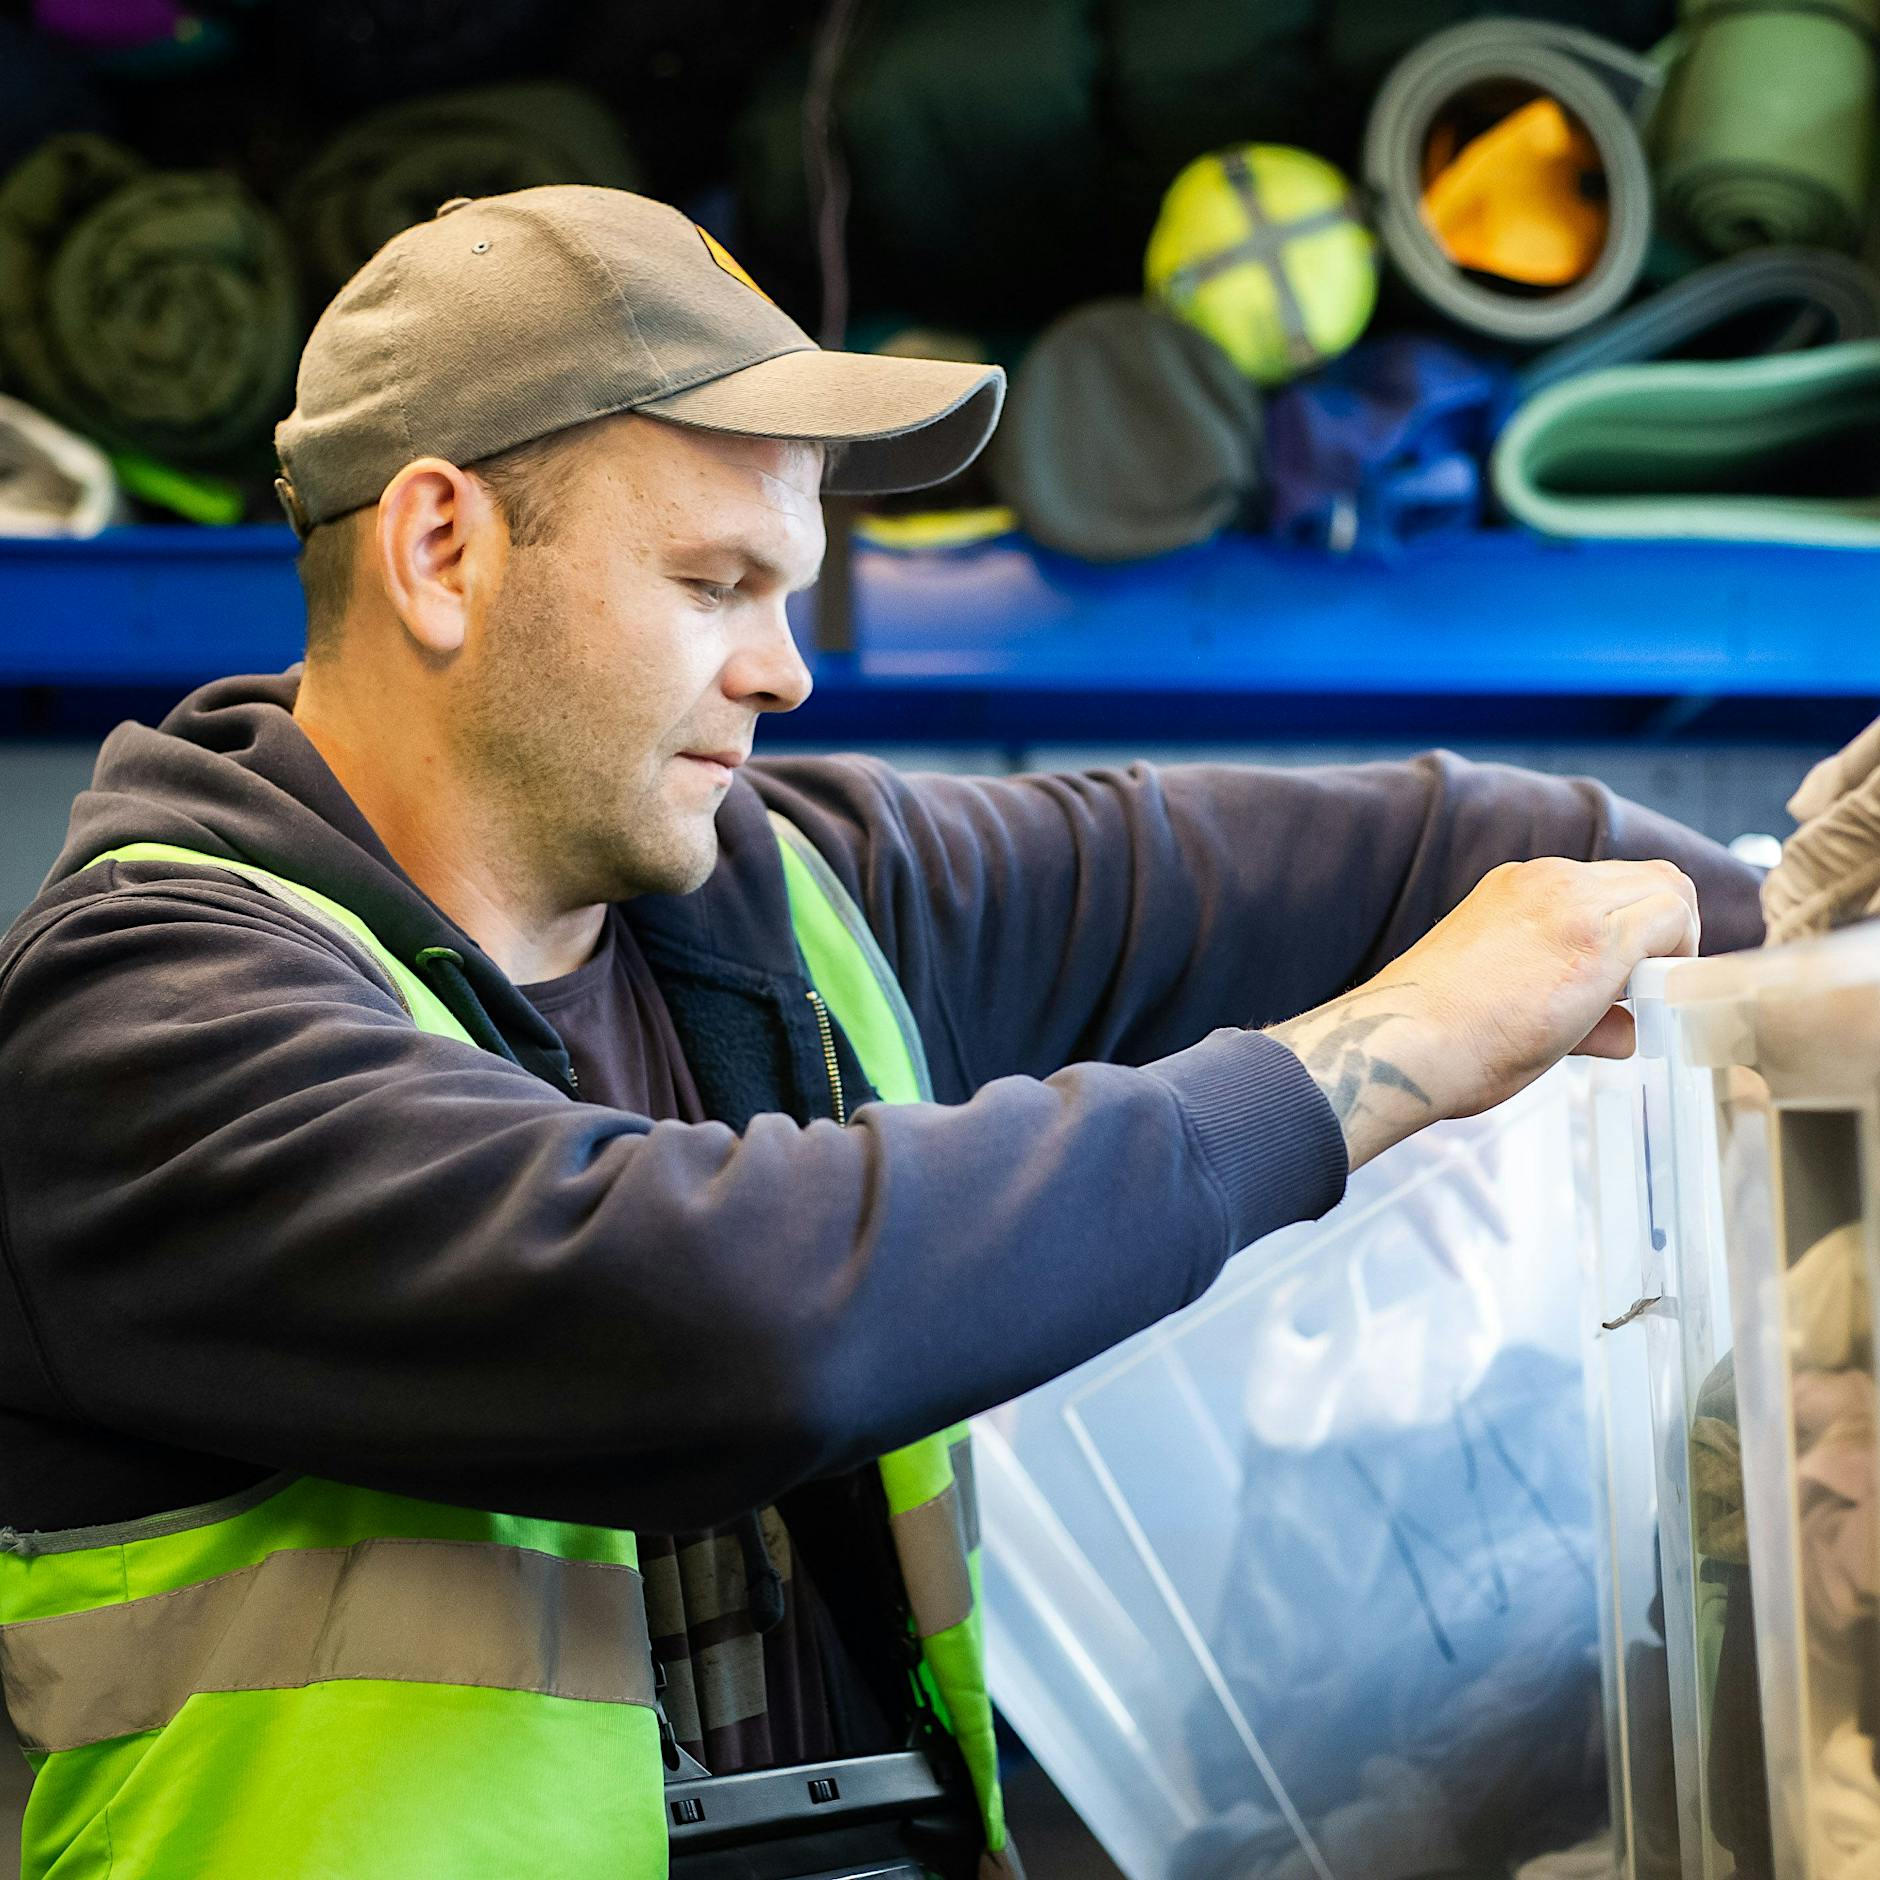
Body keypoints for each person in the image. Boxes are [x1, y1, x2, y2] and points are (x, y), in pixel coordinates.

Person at [0, 184, 1760, 1880]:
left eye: (790, 589)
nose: (787, 669)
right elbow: (728, 1321)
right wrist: (1367, 1063)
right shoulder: (142, 1032)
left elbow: (1414, 848)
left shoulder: (797, 900)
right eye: (714, 583)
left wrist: (1801, 921)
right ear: (441, 550)